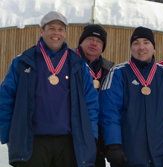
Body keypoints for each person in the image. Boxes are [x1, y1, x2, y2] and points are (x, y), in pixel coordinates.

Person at [0, 11, 99, 167]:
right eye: (51, 28)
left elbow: (91, 103)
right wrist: (8, 135)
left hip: (69, 144)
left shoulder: (78, 65)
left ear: (65, 33)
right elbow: (5, 99)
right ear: (41, 31)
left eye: (60, 29)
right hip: (33, 143)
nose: (56, 33)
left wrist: (90, 135)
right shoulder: (22, 62)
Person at [99, 26, 163, 167]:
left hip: (160, 158)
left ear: (154, 48)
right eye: (136, 43)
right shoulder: (118, 73)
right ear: (131, 48)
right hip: (128, 157)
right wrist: (113, 145)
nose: (141, 47)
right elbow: (109, 113)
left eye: (146, 42)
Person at [73, 24, 114, 167]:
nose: (94, 43)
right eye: (90, 38)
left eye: (99, 41)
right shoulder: (67, 63)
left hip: (97, 141)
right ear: (81, 41)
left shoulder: (110, 70)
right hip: (69, 139)